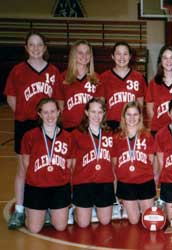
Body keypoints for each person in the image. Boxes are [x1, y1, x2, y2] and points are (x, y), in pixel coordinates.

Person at [4, 31, 61, 229]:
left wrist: (50, 119)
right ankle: (20, 210)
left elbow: (59, 99)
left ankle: (43, 208)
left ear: (45, 47)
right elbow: (11, 98)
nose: (36, 48)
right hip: (25, 124)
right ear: (26, 47)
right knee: (24, 169)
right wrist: (24, 114)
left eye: (39, 44)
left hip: (48, 125)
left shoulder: (53, 71)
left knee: (45, 167)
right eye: (31, 44)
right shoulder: (18, 70)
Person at [20, 98, 72, 233]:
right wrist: (36, 178)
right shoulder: (29, 136)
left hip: (60, 187)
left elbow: (70, 163)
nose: (50, 116)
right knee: (34, 229)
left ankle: (50, 211)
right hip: (37, 187)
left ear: (59, 112)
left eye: (53, 111)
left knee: (61, 227)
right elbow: (26, 162)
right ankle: (31, 212)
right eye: (46, 112)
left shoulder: (67, 136)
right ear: (39, 114)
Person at [70, 98, 115, 227]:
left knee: (105, 221)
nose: (96, 116)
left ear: (104, 114)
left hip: (104, 182)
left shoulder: (109, 133)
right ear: (86, 113)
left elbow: (113, 163)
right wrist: (72, 189)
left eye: (100, 112)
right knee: (83, 224)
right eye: (93, 112)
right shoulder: (76, 134)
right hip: (83, 183)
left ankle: (92, 209)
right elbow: (72, 165)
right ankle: (75, 211)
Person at [111, 101, 156, 224]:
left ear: (140, 116)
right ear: (123, 116)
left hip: (145, 182)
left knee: (149, 220)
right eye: (128, 114)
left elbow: (151, 161)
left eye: (135, 114)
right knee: (134, 221)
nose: (132, 118)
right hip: (126, 183)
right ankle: (126, 205)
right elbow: (115, 164)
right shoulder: (116, 138)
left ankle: (150, 204)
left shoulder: (147, 137)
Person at [54, 40, 103, 131]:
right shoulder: (63, 77)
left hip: (91, 127)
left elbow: (100, 106)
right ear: (73, 55)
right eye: (80, 53)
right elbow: (60, 106)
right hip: (69, 127)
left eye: (87, 53)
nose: (84, 56)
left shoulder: (97, 78)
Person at [100, 42, 147, 131]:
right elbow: (100, 106)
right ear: (112, 56)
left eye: (125, 54)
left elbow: (140, 106)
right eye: (118, 54)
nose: (122, 57)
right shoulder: (104, 77)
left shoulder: (138, 77)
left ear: (130, 56)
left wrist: (139, 125)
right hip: (111, 124)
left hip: (131, 123)